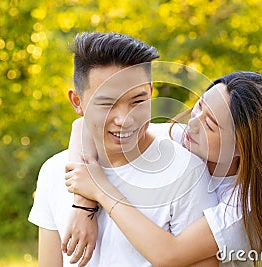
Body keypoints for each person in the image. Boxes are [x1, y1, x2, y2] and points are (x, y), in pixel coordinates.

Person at [64, 71, 262, 267]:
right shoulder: (183, 138)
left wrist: (100, 191)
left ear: (242, 146)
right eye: (199, 106)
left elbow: (169, 254)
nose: (193, 123)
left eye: (209, 124)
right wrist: (82, 207)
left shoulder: (242, 209)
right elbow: (82, 127)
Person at [28, 32, 218, 266]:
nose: (124, 119)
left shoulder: (186, 173)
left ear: (150, 92)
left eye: (137, 101)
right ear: (77, 102)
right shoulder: (53, 171)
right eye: (107, 103)